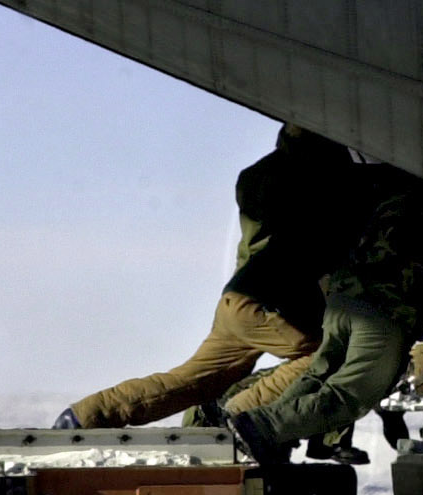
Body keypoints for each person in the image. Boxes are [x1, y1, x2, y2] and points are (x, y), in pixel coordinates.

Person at [58, 125, 363, 429]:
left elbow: (257, 239)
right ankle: (237, 414)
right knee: (336, 355)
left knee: (192, 380)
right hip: (275, 305)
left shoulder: (256, 177)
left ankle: (87, 414)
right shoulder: (329, 183)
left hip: (238, 296)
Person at [227, 165, 423, 464]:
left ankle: (272, 431)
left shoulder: (390, 198)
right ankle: (265, 427)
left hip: (344, 301)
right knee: (350, 395)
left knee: (319, 373)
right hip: (383, 311)